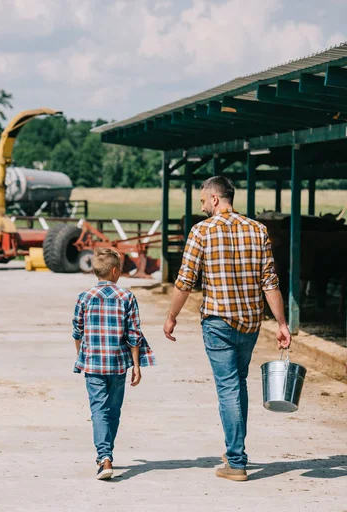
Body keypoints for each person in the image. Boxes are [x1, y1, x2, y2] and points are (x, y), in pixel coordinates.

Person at [163, 176, 291, 482]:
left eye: (204, 201)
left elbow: (185, 280)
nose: (203, 206)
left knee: (229, 388)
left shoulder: (201, 231)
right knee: (238, 384)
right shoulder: (258, 229)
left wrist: (171, 316)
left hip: (218, 321)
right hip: (250, 321)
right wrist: (283, 324)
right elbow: (270, 282)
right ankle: (235, 449)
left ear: (216, 198)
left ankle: (236, 461)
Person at [73, 248, 156, 480]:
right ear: (114, 270)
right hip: (118, 365)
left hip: (94, 365)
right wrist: (137, 365)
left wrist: (82, 357)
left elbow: (77, 332)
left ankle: (104, 457)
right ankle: (106, 454)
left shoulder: (84, 298)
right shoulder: (127, 297)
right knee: (114, 411)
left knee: (98, 410)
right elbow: (134, 334)